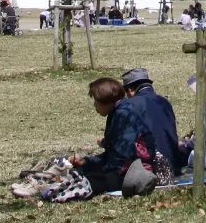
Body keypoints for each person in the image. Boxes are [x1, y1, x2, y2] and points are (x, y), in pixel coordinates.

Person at [16, 77, 154, 201]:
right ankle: (41, 180)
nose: (94, 106)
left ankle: (46, 186)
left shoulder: (124, 115)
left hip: (130, 173)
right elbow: (113, 153)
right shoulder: (118, 112)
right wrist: (87, 162)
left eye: (96, 101)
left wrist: (93, 166)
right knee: (77, 169)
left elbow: (120, 158)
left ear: (106, 100)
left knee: (83, 177)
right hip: (121, 167)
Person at [121, 69, 182, 178]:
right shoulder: (164, 101)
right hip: (174, 164)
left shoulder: (131, 104)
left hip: (150, 169)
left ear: (130, 90)